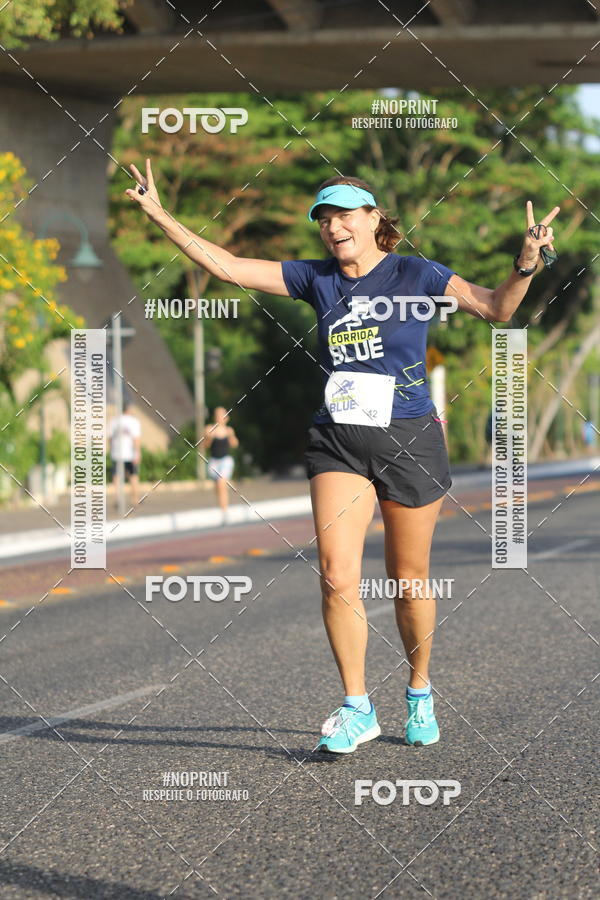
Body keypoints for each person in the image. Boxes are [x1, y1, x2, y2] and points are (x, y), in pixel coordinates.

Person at [126, 159, 559, 753]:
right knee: (335, 575)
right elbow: (226, 266)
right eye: (323, 218)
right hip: (338, 440)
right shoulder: (317, 279)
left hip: (409, 440)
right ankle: (358, 706)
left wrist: (525, 264)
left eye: (343, 215)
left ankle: (419, 690)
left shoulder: (416, 273)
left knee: (407, 580)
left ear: (374, 218)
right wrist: (159, 215)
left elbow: (496, 309)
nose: (332, 227)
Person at [204, 406, 239, 522]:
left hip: (225, 460)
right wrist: (209, 438)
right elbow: (205, 446)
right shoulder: (209, 429)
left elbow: (235, 445)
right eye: (218, 415)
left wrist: (231, 435)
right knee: (218, 487)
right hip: (214, 461)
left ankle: (224, 512)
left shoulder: (229, 430)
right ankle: (222, 508)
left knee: (221, 482)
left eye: (222, 415)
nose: (220, 417)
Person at [109, 401, 141, 507]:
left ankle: (117, 498)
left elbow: (110, 438)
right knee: (133, 476)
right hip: (130, 454)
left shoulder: (113, 421)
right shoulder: (133, 421)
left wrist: (112, 450)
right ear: (128, 409)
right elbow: (136, 439)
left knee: (116, 476)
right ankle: (135, 499)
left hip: (116, 454)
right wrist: (137, 453)